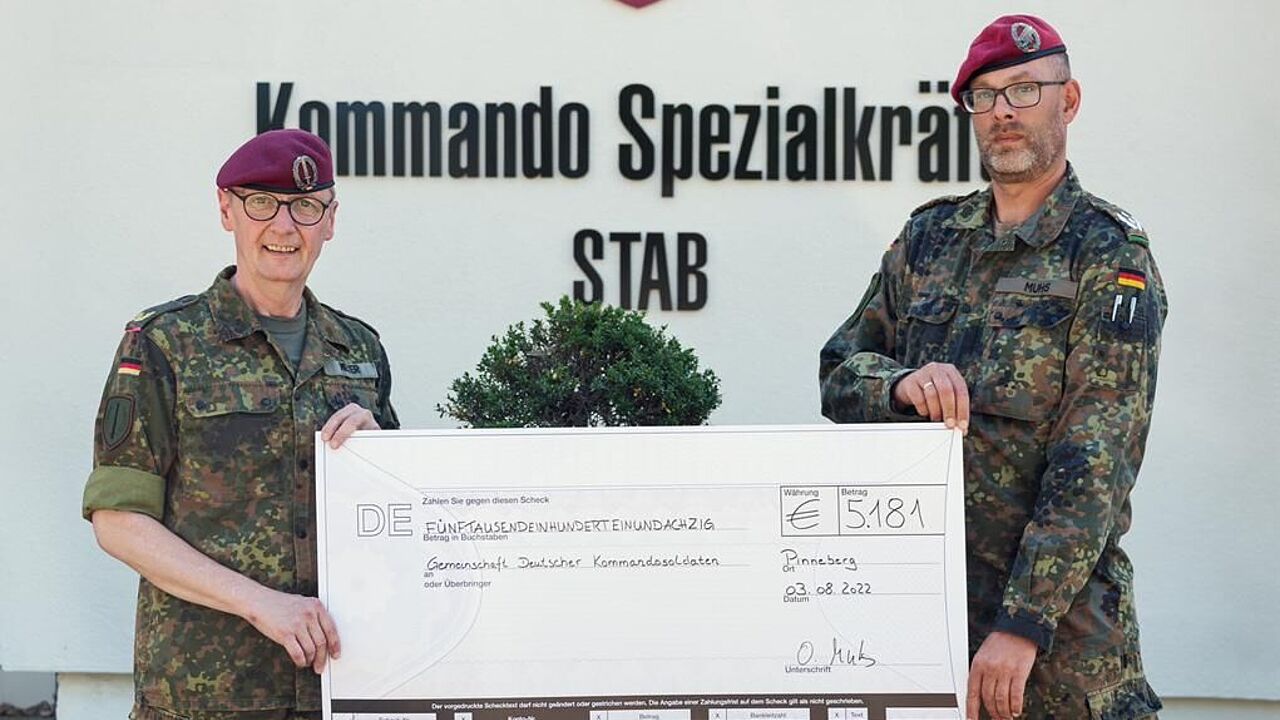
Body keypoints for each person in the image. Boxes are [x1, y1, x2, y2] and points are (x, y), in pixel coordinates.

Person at [818, 15, 1165, 720]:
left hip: (1058, 651)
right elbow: (837, 372)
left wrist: (1022, 623)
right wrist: (898, 385)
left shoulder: (1107, 255)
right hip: (920, 624)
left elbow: (1095, 460)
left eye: (1024, 90)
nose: (1003, 111)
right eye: (984, 96)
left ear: (1067, 102)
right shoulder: (929, 238)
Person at [82, 129, 399, 719]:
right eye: (261, 203)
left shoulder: (359, 348)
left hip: (340, 686)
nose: (284, 227)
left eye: (305, 207)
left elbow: (396, 519)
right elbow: (119, 522)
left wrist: (382, 460)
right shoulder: (164, 344)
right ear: (226, 208)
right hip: (206, 694)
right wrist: (262, 604)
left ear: (330, 221)